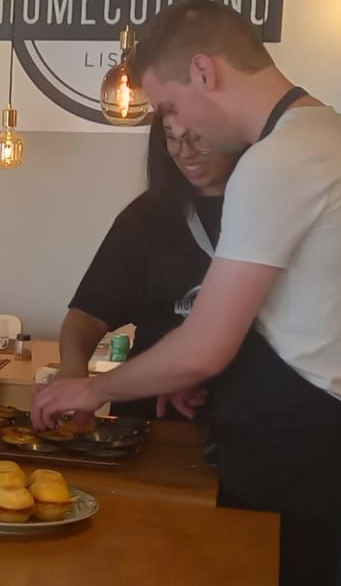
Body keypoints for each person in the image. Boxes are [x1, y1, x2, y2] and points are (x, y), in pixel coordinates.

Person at [33, 0, 341, 586]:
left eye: (170, 103)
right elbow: (298, 332)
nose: (176, 131)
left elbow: (208, 341)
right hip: (340, 460)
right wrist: (194, 385)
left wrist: (91, 388)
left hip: (314, 475)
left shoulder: (280, 159)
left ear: (204, 70)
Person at [59, 113, 237, 420]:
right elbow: (86, 316)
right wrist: (73, 376)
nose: (185, 152)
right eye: (172, 138)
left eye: (199, 138)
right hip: (148, 410)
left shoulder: (268, 211)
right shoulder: (143, 218)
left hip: (248, 409)